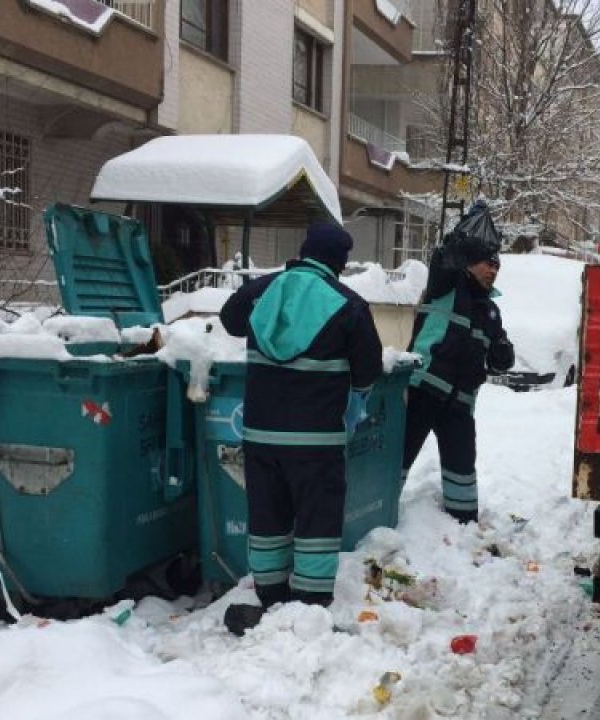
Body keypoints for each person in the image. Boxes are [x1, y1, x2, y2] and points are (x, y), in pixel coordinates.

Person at [218, 223, 383, 635]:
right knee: (315, 519)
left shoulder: (261, 292)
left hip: (260, 436)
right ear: (340, 263)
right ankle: (310, 604)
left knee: (267, 515)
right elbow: (368, 369)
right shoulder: (349, 305)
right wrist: (355, 398)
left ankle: (271, 594)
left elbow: (230, 320)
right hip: (317, 440)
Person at [402, 238, 514, 525]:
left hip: (460, 402)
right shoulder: (446, 286)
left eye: (497, 267)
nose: (493, 271)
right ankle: (379, 513)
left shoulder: (490, 310)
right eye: (488, 264)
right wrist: (466, 232)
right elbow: (442, 257)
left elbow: (500, 361)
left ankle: (462, 523)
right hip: (424, 390)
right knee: (398, 459)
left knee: (462, 469)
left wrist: (502, 351)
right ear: (468, 264)